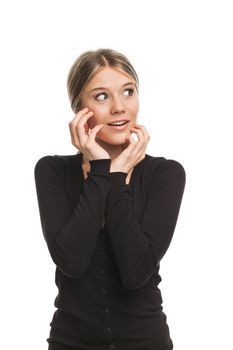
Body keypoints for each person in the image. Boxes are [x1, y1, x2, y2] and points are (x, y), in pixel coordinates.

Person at [34, 48, 186, 350]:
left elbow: (135, 272)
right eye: (102, 96)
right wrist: (102, 170)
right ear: (80, 108)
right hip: (70, 342)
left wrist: (117, 179)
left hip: (146, 342)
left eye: (128, 92)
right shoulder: (52, 170)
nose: (120, 107)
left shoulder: (165, 174)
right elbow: (71, 262)